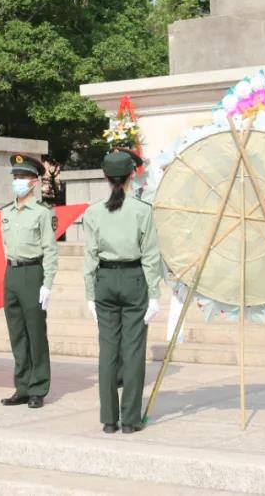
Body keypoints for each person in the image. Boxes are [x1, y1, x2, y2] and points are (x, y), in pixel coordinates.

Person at [82, 149, 163, 434]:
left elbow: (90, 256)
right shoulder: (143, 210)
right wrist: (155, 294)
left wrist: (89, 294)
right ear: (132, 175)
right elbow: (151, 255)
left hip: (104, 279)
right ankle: (129, 419)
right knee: (133, 350)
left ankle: (108, 419)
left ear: (106, 177)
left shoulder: (93, 212)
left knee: (108, 351)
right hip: (133, 279)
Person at [0, 154, 58, 409]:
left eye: (23, 177)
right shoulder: (6, 212)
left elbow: (50, 250)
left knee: (35, 334)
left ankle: (38, 387)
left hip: (33, 272)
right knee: (17, 334)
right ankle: (22, 387)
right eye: (15, 177)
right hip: (11, 272)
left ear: (34, 182)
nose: (18, 181)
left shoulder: (43, 213)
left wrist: (47, 283)